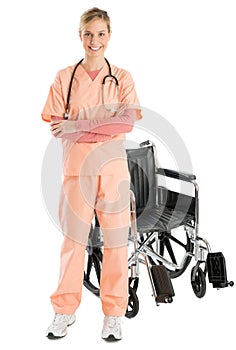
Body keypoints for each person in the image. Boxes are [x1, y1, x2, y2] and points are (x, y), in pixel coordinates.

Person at [41, 7, 142, 341]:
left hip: (112, 171)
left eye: (100, 34)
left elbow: (126, 123)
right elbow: (58, 128)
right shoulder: (64, 77)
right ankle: (64, 311)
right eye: (88, 34)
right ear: (79, 35)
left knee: (116, 244)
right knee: (73, 243)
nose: (94, 41)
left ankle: (113, 315)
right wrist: (105, 126)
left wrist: (79, 126)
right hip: (77, 171)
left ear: (109, 36)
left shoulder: (122, 78)